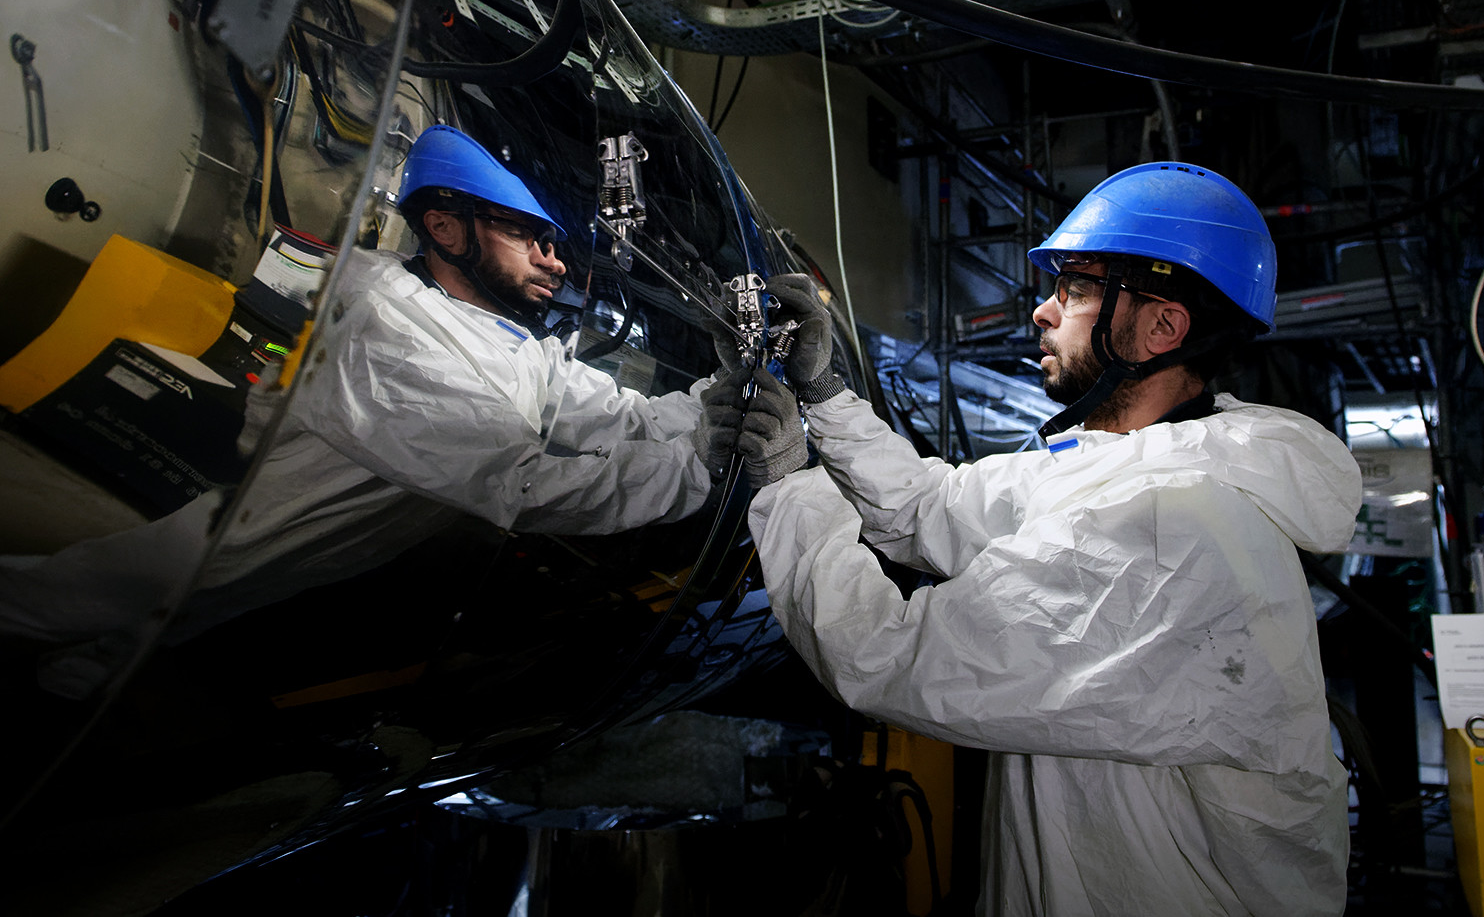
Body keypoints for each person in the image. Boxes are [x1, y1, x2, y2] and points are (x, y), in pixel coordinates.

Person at [699, 162, 1363, 915]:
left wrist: (786, 482)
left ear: (1161, 326)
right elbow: (932, 507)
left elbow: (889, 655)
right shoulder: (1119, 463)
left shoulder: (1171, 529)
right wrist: (825, 393)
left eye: (1076, 288)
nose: (1045, 311)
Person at [1, 125, 715, 682]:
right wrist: (698, 478)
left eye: (551, 244)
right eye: (530, 237)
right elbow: (520, 482)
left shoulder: (504, 335)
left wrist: (725, 399)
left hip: (322, 550)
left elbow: (627, 416)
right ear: (445, 228)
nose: (554, 261)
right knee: (80, 593)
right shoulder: (395, 329)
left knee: (181, 616)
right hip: (241, 538)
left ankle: (74, 679)